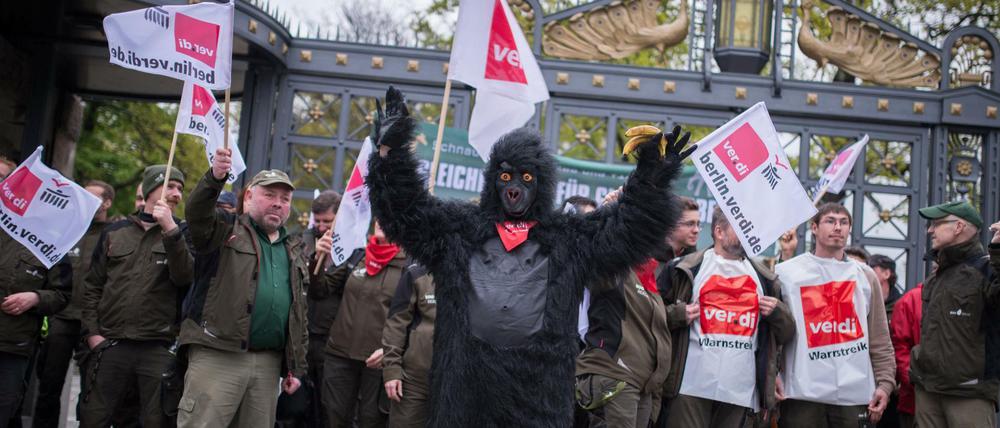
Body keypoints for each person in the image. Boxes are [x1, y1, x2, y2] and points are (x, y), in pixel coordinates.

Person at [365, 87, 692, 426]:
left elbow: (627, 228)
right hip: (467, 390)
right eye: (506, 177)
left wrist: (652, 178)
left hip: (537, 392)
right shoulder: (458, 231)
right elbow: (406, 212)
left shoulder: (568, 238)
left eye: (525, 178)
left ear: (541, 183)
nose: (514, 188)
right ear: (493, 180)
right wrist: (390, 153)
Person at [177, 150, 322, 428]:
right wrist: (214, 178)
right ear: (249, 197)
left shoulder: (293, 249)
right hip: (218, 355)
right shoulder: (224, 229)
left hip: (268, 364)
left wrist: (295, 367)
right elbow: (197, 213)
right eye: (269, 195)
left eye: (285, 199)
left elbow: (298, 312)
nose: (278, 204)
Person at [78, 166, 193, 428]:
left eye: (180, 189)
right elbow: (93, 286)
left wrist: (170, 230)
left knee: (155, 420)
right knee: (94, 417)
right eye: (171, 186)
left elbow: (185, 277)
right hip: (110, 344)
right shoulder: (114, 231)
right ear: (151, 189)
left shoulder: (183, 233)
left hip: (157, 347)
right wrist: (93, 334)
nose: (176, 193)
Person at [658, 207, 794, 427]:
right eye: (741, 227)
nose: (748, 232)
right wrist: (677, 314)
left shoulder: (766, 278)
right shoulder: (683, 269)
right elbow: (651, 317)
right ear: (719, 231)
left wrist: (778, 313)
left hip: (740, 390)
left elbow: (787, 334)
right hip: (689, 387)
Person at [776, 203, 895, 427]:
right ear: (813, 227)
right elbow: (775, 334)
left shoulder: (865, 276)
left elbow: (879, 338)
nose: (838, 227)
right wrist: (771, 375)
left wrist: (885, 384)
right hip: (802, 392)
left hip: (852, 393)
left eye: (844, 222)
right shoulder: (788, 273)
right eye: (830, 221)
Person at [575, 204, 673, 428]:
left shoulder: (648, 274)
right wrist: (610, 210)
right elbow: (594, 244)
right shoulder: (614, 266)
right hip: (616, 375)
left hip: (643, 383)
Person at [910, 201, 1000, 427]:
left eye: (937, 224)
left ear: (958, 226)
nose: (930, 230)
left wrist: (999, 251)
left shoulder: (987, 270)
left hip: (969, 392)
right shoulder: (937, 275)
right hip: (928, 389)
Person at [32, 180, 114, 428]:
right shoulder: (68, 230)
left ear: (107, 203)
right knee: (48, 385)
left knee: (90, 393)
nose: (85, 201)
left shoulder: (114, 234)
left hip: (94, 323)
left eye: (93, 198)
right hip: (62, 318)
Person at [320, 221, 407, 428]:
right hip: (339, 354)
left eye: (390, 216)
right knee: (334, 416)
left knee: (370, 420)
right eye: (380, 214)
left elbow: (414, 318)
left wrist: (392, 351)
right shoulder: (357, 255)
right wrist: (320, 259)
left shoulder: (410, 266)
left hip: (378, 360)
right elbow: (321, 290)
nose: (381, 220)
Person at [0, 238, 71, 427]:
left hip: (13, 346)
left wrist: (36, 298)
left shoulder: (54, 244)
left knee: (6, 411)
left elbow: (62, 295)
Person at [380, 264, 435, 428]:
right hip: (413, 381)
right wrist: (392, 370)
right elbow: (396, 323)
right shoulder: (416, 274)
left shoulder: (476, 274)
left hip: (457, 381)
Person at [890, 278, 924, 428]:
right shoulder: (911, 300)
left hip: (961, 396)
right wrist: (914, 383)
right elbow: (899, 348)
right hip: (914, 400)